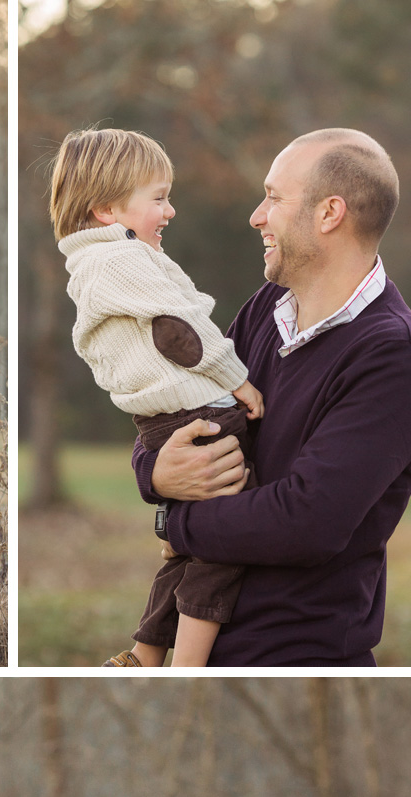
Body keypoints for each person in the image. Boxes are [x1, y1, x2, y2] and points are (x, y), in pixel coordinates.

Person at [132, 128, 411, 667]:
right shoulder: (265, 308)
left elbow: (307, 522)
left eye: (274, 197)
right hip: (195, 645)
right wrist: (155, 474)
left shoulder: (395, 354)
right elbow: (187, 409)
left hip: (294, 664)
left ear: (330, 213)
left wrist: (173, 523)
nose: (256, 216)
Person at [50, 128, 264, 668]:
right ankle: (185, 668)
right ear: (106, 210)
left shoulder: (95, 264)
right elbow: (181, 329)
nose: (170, 211)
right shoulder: (121, 262)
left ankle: (144, 654)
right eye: (159, 198)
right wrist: (237, 378)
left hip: (163, 424)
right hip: (200, 416)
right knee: (228, 541)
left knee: (188, 549)